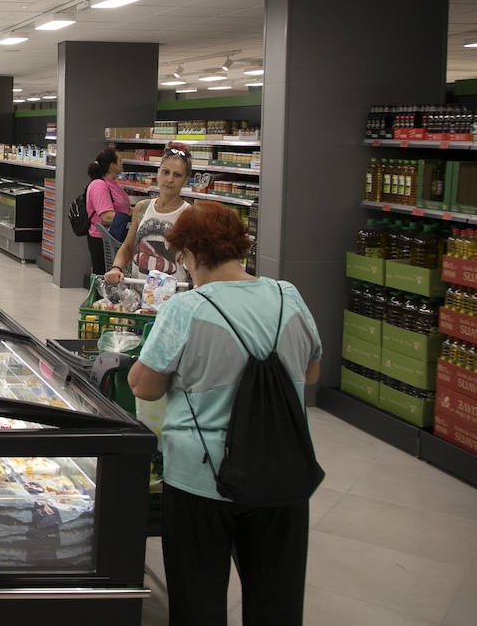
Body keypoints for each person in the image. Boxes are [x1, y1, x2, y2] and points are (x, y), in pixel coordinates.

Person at [128, 202, 321, 626]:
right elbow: (310, 371)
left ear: (192, 256)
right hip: (282, 471)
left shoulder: (185, 309)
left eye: (182, 258)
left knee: (199, 599)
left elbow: (144, 385)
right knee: (277, 600)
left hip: (202, 479)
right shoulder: (289, 296)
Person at [104, 142, 194, 286]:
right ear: (158, 173)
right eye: (165, 172)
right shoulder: (142, 208)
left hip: (172, 298)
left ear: (186, 180)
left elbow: (195, 259)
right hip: (139, 295)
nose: (170, 179)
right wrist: (116, 267)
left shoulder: (189, 214)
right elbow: (127, 247)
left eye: (177, 175)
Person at [85, 147, 132, 276]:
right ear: (112, 165)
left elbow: (123, 208)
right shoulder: (99, 185)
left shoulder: (114, 183)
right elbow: (106, 216)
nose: (122, 162)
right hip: (103, 239)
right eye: (120, 160)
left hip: (116, 236)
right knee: (104, 279)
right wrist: (131, 220)